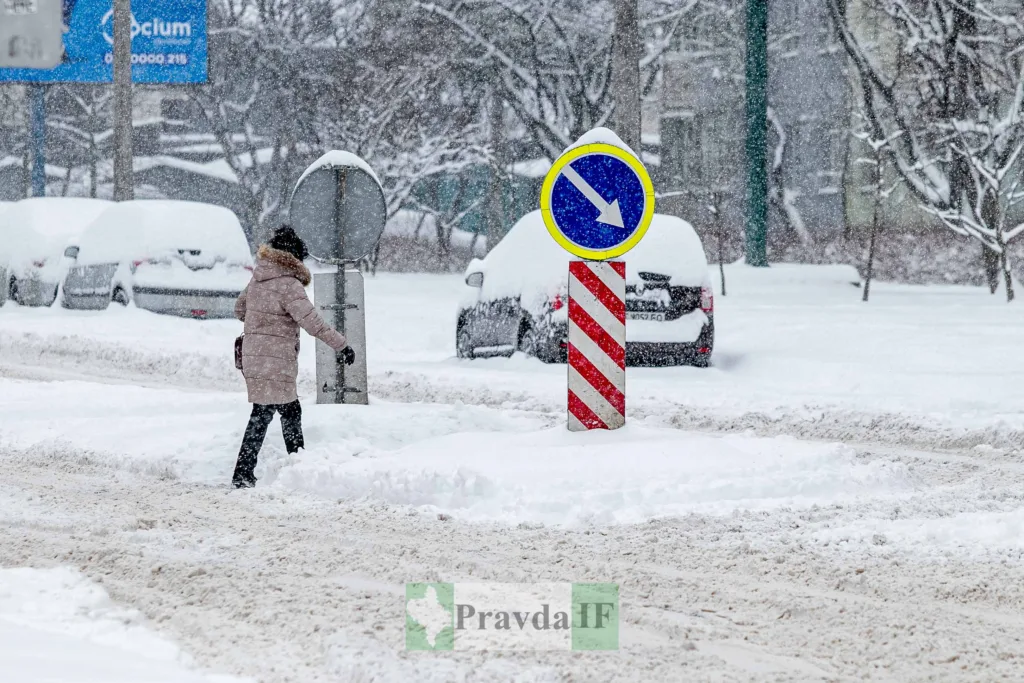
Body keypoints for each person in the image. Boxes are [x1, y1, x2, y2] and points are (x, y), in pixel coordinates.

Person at [231, 226, 355, 489]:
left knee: (270, 411)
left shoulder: (258, 278)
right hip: (276, 359)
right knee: (281, 412)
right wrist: (342, 345)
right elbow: (313, 323)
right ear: (294, 257)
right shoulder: (289, 285)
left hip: (256, 356)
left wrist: (262, 322)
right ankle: (293, 469)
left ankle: (249, 472)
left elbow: (240, 310)